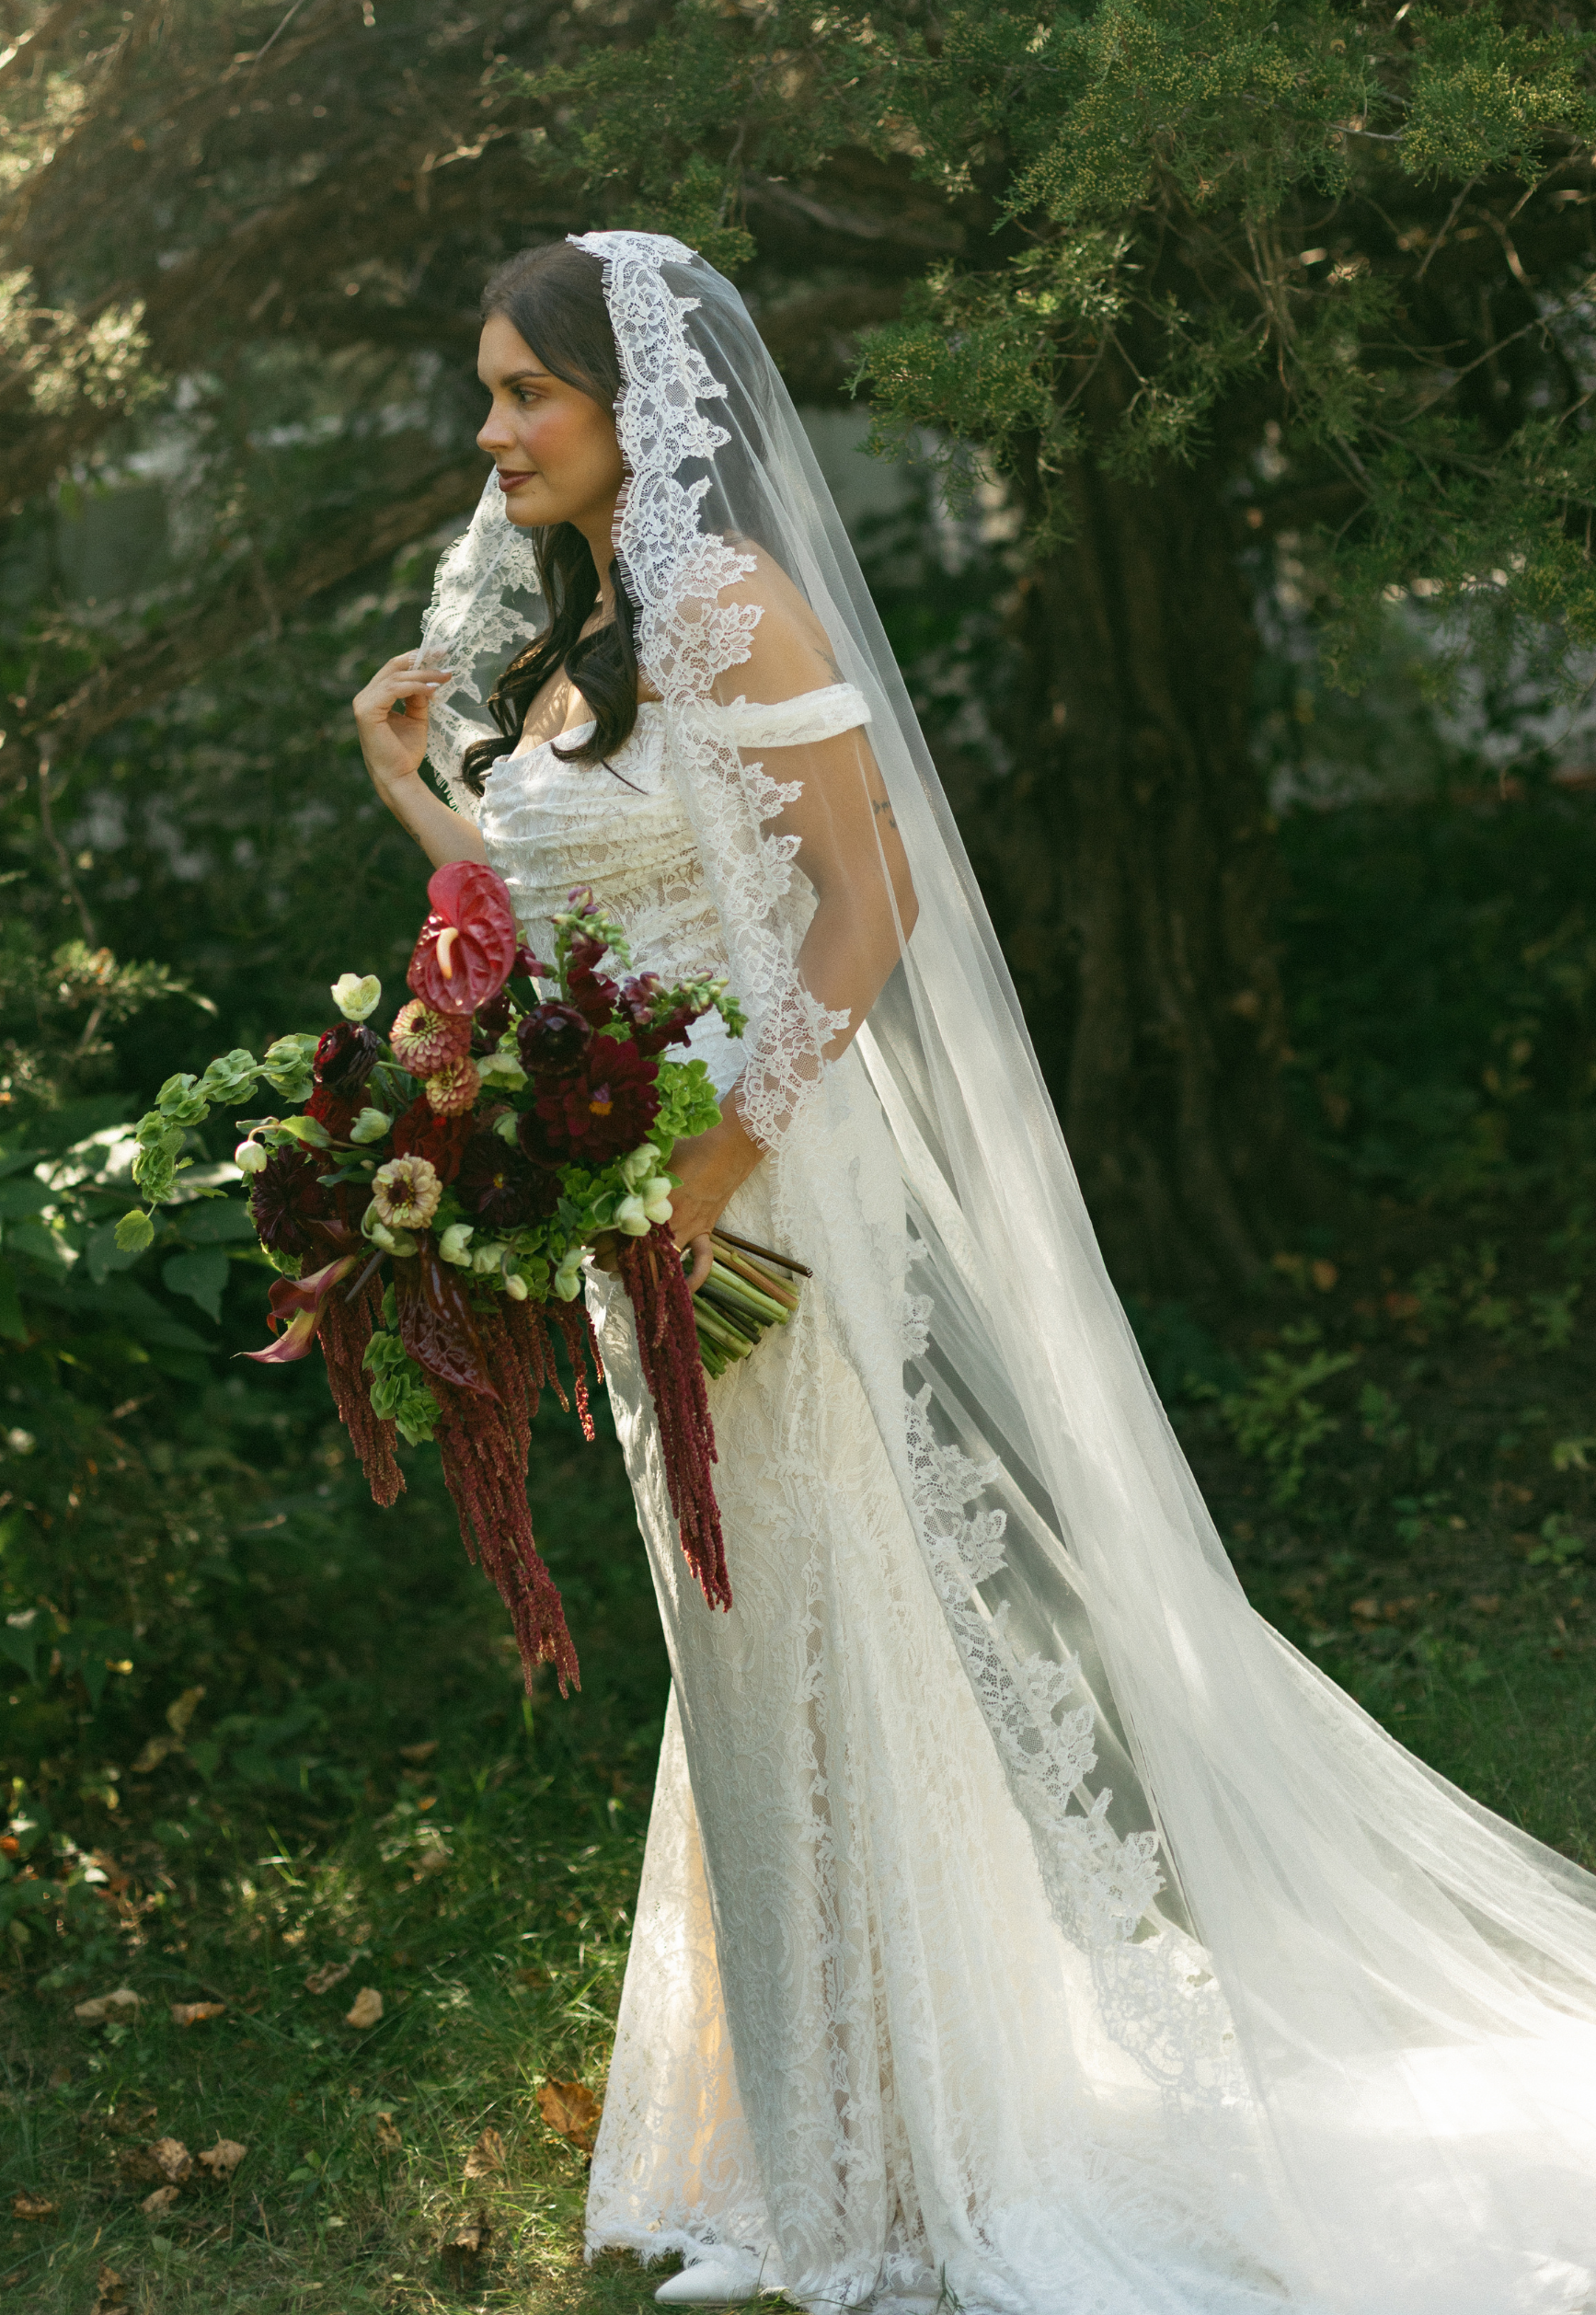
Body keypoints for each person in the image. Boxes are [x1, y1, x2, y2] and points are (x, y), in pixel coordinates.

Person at [354, 234, 1596, 2315]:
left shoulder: (733, 607)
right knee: (749, 1648)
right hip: (630, 1219)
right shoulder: (581, 644)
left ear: (630, 406)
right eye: (482, 392)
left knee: (832, 1631)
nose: (487, 433)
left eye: (520, 393)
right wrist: (414, 791)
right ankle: (822, 2123)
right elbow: (553, 935)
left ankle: (913, 2153)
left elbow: (867, 897)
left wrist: (710, 1163)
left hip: (749, 1211)